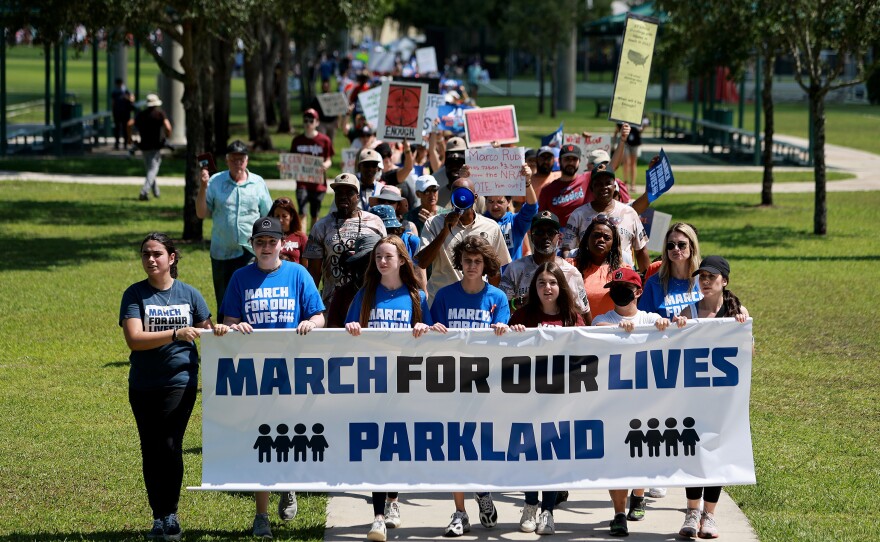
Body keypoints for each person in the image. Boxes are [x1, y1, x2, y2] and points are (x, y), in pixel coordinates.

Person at [219, 216, 326, 540]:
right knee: (262, 442)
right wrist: (235, 327)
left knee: (291, 435)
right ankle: (261, 515)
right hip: (254, 374)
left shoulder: (298, 274)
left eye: (271, 242)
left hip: (293, 372)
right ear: (253, 245)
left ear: (282, 244)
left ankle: (288, 483)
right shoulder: (240, 277)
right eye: (260, 242)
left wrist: (312, 324)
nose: (266, 248)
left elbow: (319, 314)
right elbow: (229, 322)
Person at [119, 233, 214, 541]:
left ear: (171, 258)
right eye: (146, 254)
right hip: (144, 383)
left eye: (157, 254)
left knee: (171, 445)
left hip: (180, 380)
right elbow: (134, 339)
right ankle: (157, 516)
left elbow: (208, 331)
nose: (150, 259)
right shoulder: (134, 295)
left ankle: (171, 514)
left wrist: (222, 329)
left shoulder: (190, 294)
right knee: (151, 448)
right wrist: (175, 333)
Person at [344, 235, 433, 542]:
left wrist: (424, 328)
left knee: (396, 446)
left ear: (401, 261)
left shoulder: (415, 295)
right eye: (378, 257)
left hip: (406, 384)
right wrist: (352, 328)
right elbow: (348, 329)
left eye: (388, 257)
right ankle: (378, 516)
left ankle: (394, 500)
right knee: (377, 449)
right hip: (372, 383)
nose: (382, 262)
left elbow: (434, 335)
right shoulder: (366, 293)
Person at [429, 235, 508, 537]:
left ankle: (483, 490)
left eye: (477, 261)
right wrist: (435, 331)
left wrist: (502, 330)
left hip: (486, 385)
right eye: (467, 261)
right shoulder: (446, 296)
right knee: (456, 447)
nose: (472, 265)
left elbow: (503, 340)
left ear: (486, 264)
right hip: (452, 383)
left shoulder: (497, 298)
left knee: (483, 445)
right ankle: (460, 511)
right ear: (459, 263)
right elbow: (434, 337)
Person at [668, 255, 748, 539]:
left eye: (711, 277)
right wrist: (676, 328)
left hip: (722, 399)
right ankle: (691, 512)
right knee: (694, 453)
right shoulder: (689, 312)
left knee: (717, 454)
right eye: (702, 277)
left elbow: (748, 354)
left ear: (724, 281)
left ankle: (709, 515)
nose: (705, 282)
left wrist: (742, 330)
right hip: (693, 397)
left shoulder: (737, 312)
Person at [591, 267, 671, 537]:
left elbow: (671, 338)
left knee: (642, 452)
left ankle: (639, 494)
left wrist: (663, 328)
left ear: (638, 291)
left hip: (645, 402)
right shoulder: (603, 319)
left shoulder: (651, 318)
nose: (618, 295)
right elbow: (596, 329)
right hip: (613, 403)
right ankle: (618, 513)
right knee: (616, 458)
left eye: (624, 289)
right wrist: (619, 328)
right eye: (614, 290)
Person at [507, 261, 585, 534]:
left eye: (552, 282)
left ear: (561, 286)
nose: (547, 287)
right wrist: (512, 336)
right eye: (542, 283)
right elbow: (504, 351)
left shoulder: (572, 318)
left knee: (553, 456)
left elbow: (586, 354)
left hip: (560, 399)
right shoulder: (522, 317)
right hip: (528, 398)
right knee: (530, 453)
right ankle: (530, 505)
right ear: (534, 287)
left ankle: (548, 511)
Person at [196, 140, 272, 321]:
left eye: (241, 159)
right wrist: (203, 187)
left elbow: (268, 216)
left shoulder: (257, 183)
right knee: (224, 299)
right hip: (221, 252)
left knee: (250, 297)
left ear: (247, 160)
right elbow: (201, 213)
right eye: (233, 159)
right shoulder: (215, 182)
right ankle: (225, 340)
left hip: (250, 251)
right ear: (227, 160)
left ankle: (249, 336)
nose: (238, 163)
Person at [417, 176, 510, 299]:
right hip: (441, 300)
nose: (462, 198)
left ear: (475, 198)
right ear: (452, 198)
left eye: (466, 194)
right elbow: (422, 263)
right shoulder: (434, 223)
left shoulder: (491, 227)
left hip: (476, 301)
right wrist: (445, 230)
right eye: (457, 194)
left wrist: (491, 299)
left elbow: (496, 271)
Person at [304, 173, 387, 305]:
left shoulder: (375, 222)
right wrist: (310, 303)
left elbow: (385, 259)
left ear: (358, 196)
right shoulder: (321, 227)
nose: (343, 196)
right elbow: (314, 272)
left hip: (369, 300)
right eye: (339, 192)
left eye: (349, 192)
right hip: (332, 302)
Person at [500, 210, 591, 321]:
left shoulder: (572, 273)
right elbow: (500, 307)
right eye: (539, 232)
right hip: (524, 334)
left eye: (551, 232)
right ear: (531, 236)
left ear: (559, 237)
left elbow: (584, 313)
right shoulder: (514, 269)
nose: (545, 236)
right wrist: (519, 303)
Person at [563, 167, 650, 271]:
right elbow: (567, 251)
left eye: (608, 183)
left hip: (623, 277)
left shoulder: (629, 213)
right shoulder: (578, 215)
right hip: (587, 276)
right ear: (591, 188)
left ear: (614, 187)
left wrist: (645, 279)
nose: (603, 187)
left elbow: (641, 250)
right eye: (599, 184)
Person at [639, 222, 703, 318]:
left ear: (692, 247)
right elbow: (643, 320)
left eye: (682, 245)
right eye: (671, 245)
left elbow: (718, 311)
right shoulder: (654, 283)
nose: (676, 249)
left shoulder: (704, 280)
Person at [572, 215, 628, 317]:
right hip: (578, 330)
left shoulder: (623, 271)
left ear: (613, 244)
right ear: (587, 239)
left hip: (609, 330)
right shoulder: (570, 267)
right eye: (596, 235)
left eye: (607, 238)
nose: (601, 240)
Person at [481, 163, 538, 263]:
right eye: (490, 201)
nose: (494, 206)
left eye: (500, 202)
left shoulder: (516, 222)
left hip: (511, 277)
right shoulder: (479, 222)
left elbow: (532, 207)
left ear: (508, 202)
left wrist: (527, 183)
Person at [290, 108, 334, 230]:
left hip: (318, 183)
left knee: (315, 213)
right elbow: (292, 160)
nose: (308, 123)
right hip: (302, 182)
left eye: (311, 120)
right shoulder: (297, 140)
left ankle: (314, 239)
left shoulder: (324, 140)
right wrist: (284, 166)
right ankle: (302, 239)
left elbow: (329, 159)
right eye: (306, 120)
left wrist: (326, 164)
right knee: (302, 211)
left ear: (317, 122)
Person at [129, 94, 172, 201]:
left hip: (144, 146)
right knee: (153, 170)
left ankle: (156, 192)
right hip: (155, 146)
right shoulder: (159, 114)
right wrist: (167, 136)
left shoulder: (141, 115)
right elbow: (168, 127)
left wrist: (129, 138)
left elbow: (129, 124)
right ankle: (144, 192)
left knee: (150, 170)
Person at [268, 197, 307, 264]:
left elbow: (306, 267)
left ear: (291, 216)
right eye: (277, 216)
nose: (280, 220)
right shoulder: (267, 237)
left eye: (284, 216)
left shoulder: (301, 238)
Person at [112, 79, 135, 150]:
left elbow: (132, 99)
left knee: (125, 128)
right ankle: (117, 144)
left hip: (125, 113)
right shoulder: (115, 92)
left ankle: (125, 143)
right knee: (117, 129)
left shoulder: (126, 91)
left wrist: (127, 98)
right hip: (118, 113)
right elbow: (113, 103)